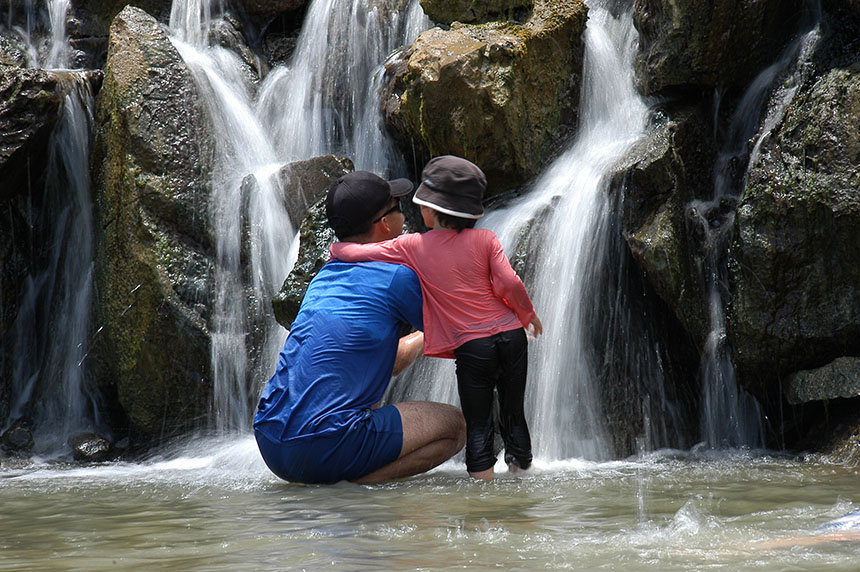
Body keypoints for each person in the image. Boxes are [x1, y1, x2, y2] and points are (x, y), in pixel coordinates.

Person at [330, 155, 543, 481]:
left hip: (474, 347)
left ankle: (484, 492)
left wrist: (337, 251)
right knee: (514, 412)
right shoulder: (487, 239)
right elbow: (509, 283)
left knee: (479, 420)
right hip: (512, 336)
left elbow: (361, 252)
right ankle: (521, 474)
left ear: (430, 212)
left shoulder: (414, 246)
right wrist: (526, 314)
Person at [254, 171, 466, 485]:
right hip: (323, 444)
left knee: (364, 405)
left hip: (271, 439)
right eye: (397, 208)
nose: (404, 216)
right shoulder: (396, 276)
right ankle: (351, 486)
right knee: (455, 427)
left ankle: (334, 473)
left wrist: (423, 338)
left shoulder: (323, 280)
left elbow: (378, 360)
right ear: (384, 223)